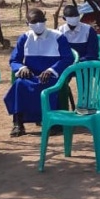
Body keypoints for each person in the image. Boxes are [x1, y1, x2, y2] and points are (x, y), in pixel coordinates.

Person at [5, 8, 75, 137]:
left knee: (50, 86)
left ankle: (55, 122)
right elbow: (14, 59)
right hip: (31, 75)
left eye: (41, 20)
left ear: (45, 21)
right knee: (20, 84)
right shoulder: (24, 38)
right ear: (28, 23)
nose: (38, 24)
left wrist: (51, 70)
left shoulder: (58, 37)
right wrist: (21, 68)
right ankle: (18, 123)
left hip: (52, 76)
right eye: (34, 21)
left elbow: (68, 58)